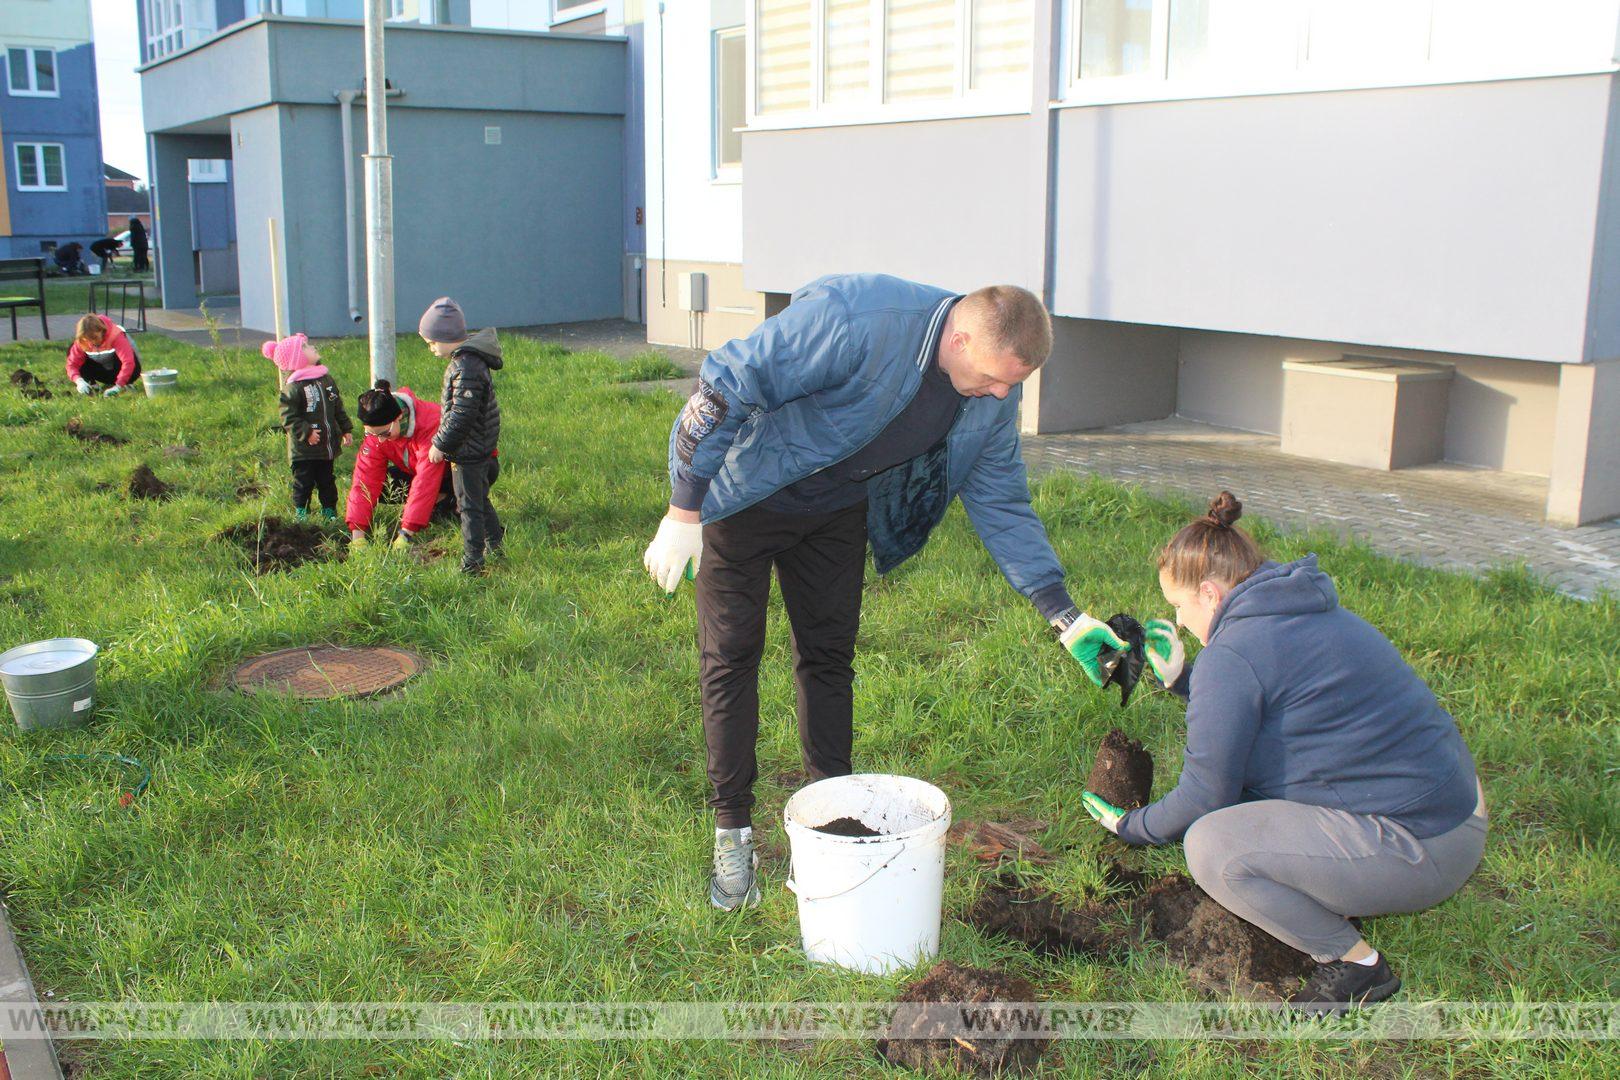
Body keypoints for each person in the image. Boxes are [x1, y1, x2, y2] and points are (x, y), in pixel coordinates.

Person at [642, 273, 1128, 911]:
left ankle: (832, 816)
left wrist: (1062, 613)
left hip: (837, 510)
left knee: (828, 657)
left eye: (1014, 383)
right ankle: (732, 831)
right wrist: (684, 511)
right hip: (743, 497)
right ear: (958, 338)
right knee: (732, 659)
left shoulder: (990, 390)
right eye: (996, 377)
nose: (1003, 394)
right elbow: (725, 384)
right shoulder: (856, 320)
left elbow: (1001, 498)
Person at [1081, 492, 1487, 1015]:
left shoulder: (1233, 655)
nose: (1178, 623)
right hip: (1455, 806)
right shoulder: (1291, 607)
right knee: (1244, 803)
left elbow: (1205, 795)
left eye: (1179, 607)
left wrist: (1131, 828)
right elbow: (1273, 703)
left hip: (1426, 847)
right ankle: (1332, 881)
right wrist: (1185, 680)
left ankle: (1357, 967)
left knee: (1212, 846)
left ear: (1209, 592)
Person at [418, 297, 504, 575]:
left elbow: (461, 414)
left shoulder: (466, 367)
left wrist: (440, 444)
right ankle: (496, 542)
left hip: (469, 450)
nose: (430, 348)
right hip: (478, 445)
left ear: (447, 337)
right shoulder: (467, 361)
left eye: (432, 342)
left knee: (468, 507)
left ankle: (473, 562)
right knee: (479, 497)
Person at [346, 379, 450, 550]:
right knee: (385, 487)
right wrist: (357, 534)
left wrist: (406, 533)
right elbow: (364, 480)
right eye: (371, 434)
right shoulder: (377, 433)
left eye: (385, 433)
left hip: (461, 470)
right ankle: (438, 503)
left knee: (460, 479)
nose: (379, 440)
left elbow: (426, 480)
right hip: (415, 470)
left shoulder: (429, 423)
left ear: (399, 416)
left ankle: (451, 501)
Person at [266, 332, 353, 523]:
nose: (312, 348)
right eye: (306, 347)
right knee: (303, 482)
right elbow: (288, 416)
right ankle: (301, 512)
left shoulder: (326, 380)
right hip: (303, 451)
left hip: (326, 447)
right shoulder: (294, 388)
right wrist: (306, 433)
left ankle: (329, 510)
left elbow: (337, 406)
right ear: (299, 359)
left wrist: (346, 429)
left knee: (327, 481)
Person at [65, 314, 140, 395]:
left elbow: (128, 362)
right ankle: (91, 386)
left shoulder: (115, 335)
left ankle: (125, 384)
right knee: (72, 350)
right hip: (103, 372)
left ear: (102, 330)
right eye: (88, 339)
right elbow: (72, 365)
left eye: (95, 337)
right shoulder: (82, 340)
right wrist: (78, 381)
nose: (92, 342)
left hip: (128, 371)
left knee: (127, 360)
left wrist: (118, 385)